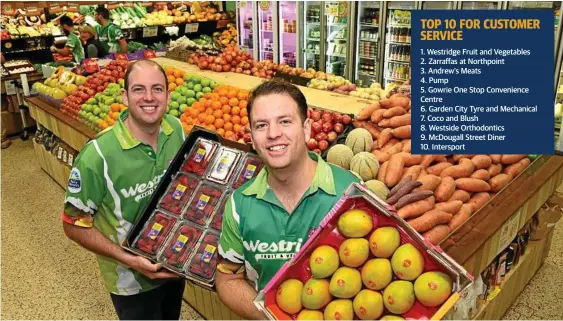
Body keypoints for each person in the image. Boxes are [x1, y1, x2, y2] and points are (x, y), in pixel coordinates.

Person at [215, 80, 360, 319]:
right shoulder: (239, 204)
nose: (273, 134)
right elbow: (228, 278)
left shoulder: (351, 192)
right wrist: (271, 317)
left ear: (306, 129)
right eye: (262, 125)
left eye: (284, 121)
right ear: (251, 137)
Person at [61, 59, 187, 320]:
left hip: (172, 266)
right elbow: (73, 224)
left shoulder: (175, 130)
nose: (149, 97)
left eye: (157, 89)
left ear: (168, 95)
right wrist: (131, 259)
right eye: (139, 89)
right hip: (130, 281)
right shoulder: (98, 155)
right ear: (125, 96)